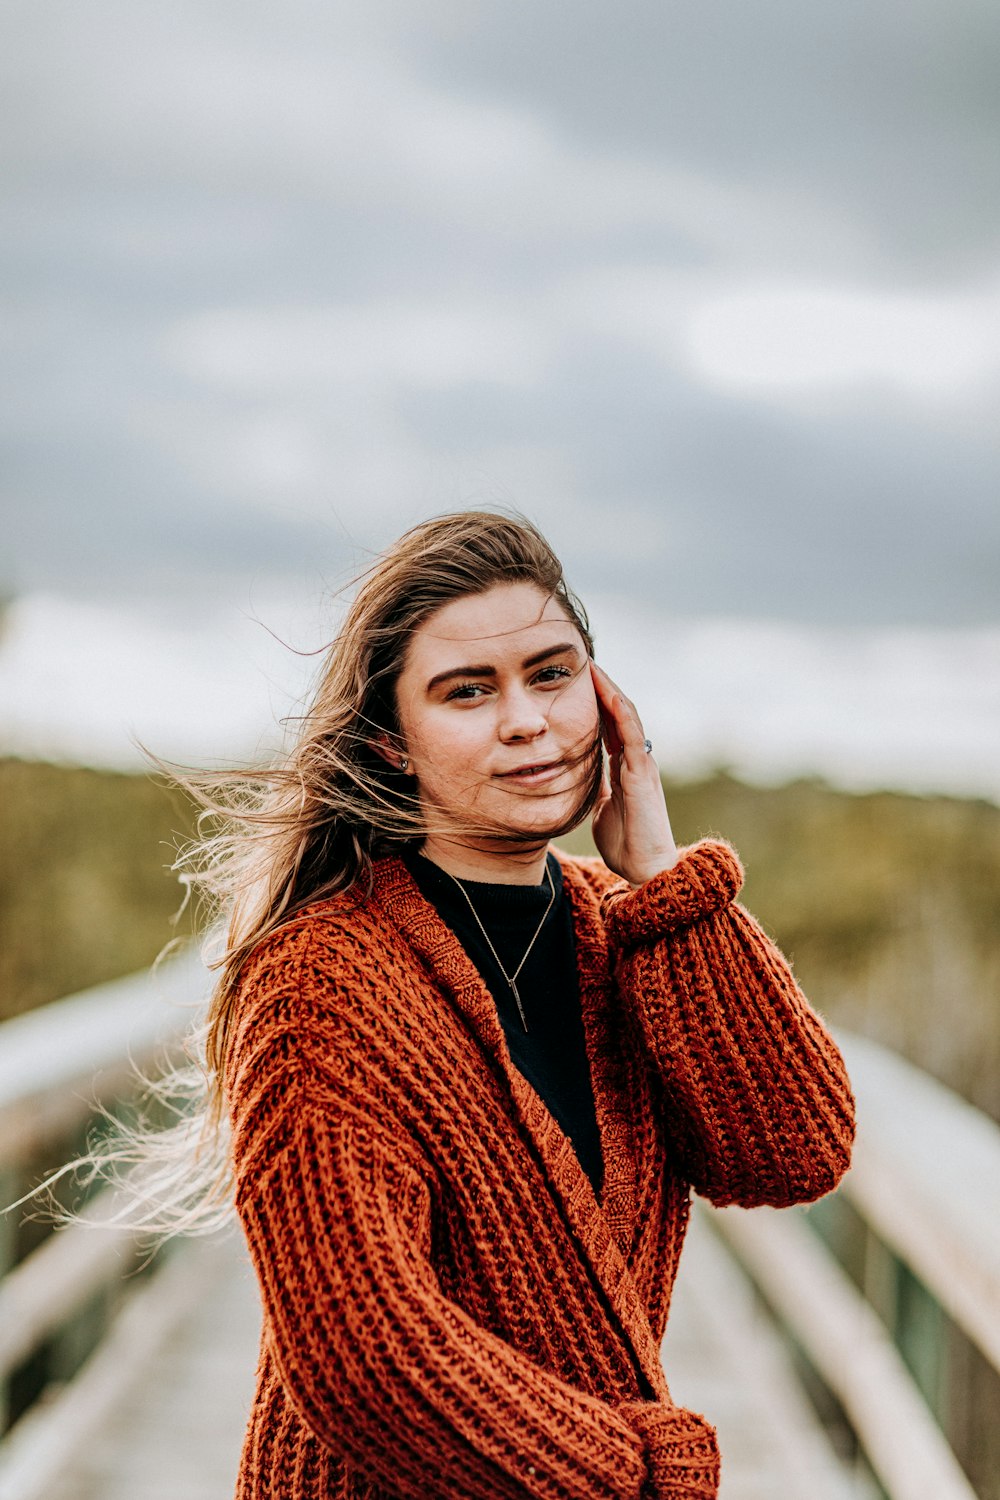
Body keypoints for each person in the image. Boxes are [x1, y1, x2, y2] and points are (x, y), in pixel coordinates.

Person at [192, 511, 854, 1499]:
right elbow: (365, 1357)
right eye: (467, 692)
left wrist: (663, 886)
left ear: (605, 695)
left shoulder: (622, 929)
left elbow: (790, 1151)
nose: (524, 719)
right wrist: (634, 1476)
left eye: (551, 673)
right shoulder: (317, 986)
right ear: (389, 746)